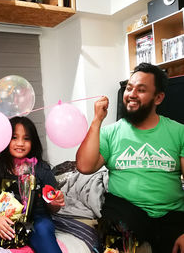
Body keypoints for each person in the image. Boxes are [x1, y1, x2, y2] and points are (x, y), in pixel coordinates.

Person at [76, 63, 184, 253]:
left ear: (158, 98)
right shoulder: (110, 132)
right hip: (125, 211)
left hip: (171, 214)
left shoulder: (179, 132)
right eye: (129, 88)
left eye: (141, 90)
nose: (132, 94)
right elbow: (85, 166)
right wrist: (96, 120)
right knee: (112, 230)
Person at [0, 116, 65, 253]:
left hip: (37, 222)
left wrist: (55, 203)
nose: (20, 143)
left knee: (44, 231)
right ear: (5, 140)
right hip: (4, 221)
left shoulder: (42, 169)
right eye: (14, 137)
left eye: (26, 138)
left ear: (33, 142)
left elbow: (53, 206)